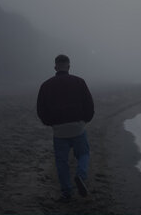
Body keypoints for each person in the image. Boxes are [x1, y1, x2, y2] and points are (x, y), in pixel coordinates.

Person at [37, 54, 94, 202]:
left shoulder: (46, 85)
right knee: (84, 154)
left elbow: (41, 109)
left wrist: (50, 123)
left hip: (59, 129)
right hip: (77, 127)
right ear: (69, 66)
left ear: (55, 67)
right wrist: (85, 120)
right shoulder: (79, 82)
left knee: (61, 162)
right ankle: (80, 175)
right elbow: (89, 104)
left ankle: (66, 192)